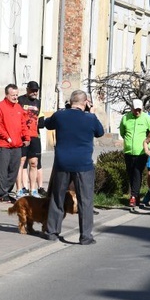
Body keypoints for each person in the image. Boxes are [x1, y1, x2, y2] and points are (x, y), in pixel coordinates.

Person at [44, 90, 104, 244]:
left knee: (57, 198)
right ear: (85, 102)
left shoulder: (60, 115)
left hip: (62, 163)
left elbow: (48, 124)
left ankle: (52, 232)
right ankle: (85, 236)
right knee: (85, 200)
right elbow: (100, 132)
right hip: (83, 165)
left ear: (71, 102)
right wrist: (90, 112)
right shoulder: (90, 118)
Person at [0, 84, 30, 203]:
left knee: (14, 170)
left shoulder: (18, 108)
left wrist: (26, 137)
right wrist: (7, 137)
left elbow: (23, 124)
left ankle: (7, 191)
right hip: (4, 145)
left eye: (17, 95)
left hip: (17, 145)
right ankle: (2, 193)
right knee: (2, 170)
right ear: (7, 95)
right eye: (13, 95)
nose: (15, 97)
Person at [119, 99, 150, 208]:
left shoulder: (147, 118)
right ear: (132, 108)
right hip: (128, 151)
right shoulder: (126, 118)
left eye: (139, 110)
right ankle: (136, 196)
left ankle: (133, 196)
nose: (137, 112)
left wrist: (149, 146)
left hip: (141, 152)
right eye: (135, 110)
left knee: (137, 172)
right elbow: (122, 132)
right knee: (131, 173)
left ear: (142, 109)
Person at [17, 81, 44, 198]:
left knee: (34, 163)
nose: (34, 92)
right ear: (27, 89)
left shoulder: (38, 102)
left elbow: (41, 120)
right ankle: (20, 189)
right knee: (21, 163)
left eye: (36, 90)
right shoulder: (20, 100)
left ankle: (33, 190)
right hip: (22, 136)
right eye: (32, 90)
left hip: (34, 136)